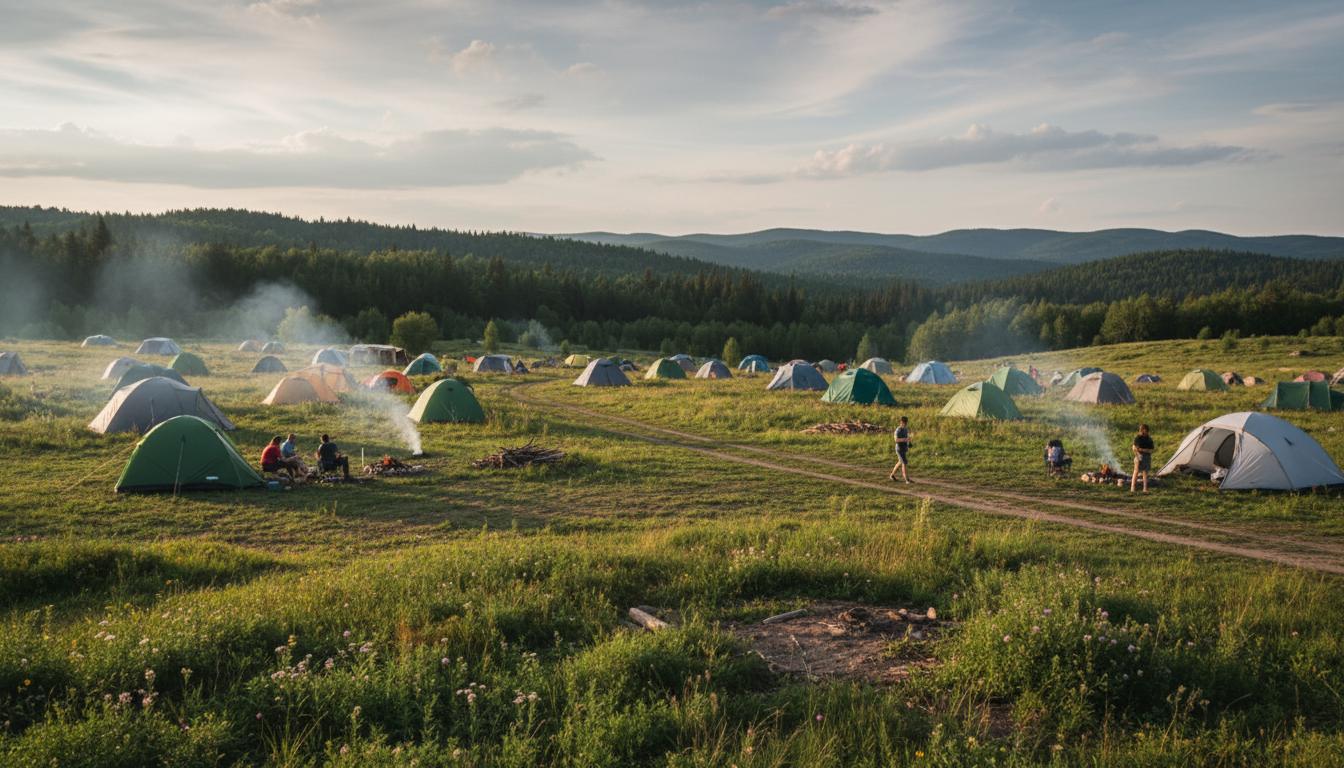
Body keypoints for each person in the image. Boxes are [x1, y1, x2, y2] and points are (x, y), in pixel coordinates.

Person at [1131, 424, 1154, 493]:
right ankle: (1133, 487)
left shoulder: (1149, 439)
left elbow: (1151, 450)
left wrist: (1142, 450)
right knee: (1136, 471)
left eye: (1144, 430)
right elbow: (1134, 448)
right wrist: (1138, 455)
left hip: (1147, 457)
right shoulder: (1137, 438)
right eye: (1141, 430)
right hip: (1139, 456)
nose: (1142, 432)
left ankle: (1145, 488)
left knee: (1145, 473)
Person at [889, 416, 912, 483]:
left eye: (905, 423)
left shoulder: (906, 429)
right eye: (903, 423)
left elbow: (907, 437)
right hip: (899, 449)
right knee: (904, 462)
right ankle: (906, 479)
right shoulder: (897, 430)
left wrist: (909, 443)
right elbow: (896, 440)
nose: (904, 424)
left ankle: (892, 475)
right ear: (900, 422)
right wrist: (905, 439)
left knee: (900, 462)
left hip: (904, 448)